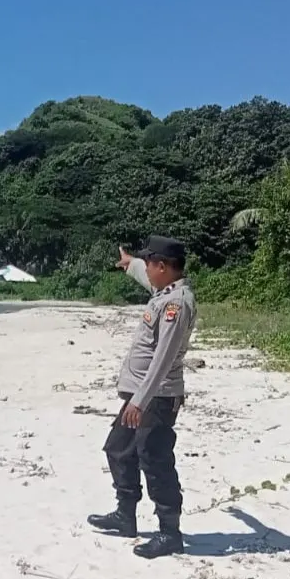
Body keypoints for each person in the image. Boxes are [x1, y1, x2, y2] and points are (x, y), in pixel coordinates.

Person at [87, 235, 197, 560]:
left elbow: (164, 358)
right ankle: (125, 516)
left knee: (155, 461)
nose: (146, 269)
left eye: (149, 263)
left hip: (156, 398)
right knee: (119, 448)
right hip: (143, 396)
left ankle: (170, 534)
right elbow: (146, 277)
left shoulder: (177, 304)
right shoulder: (164, 293)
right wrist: (130, 264)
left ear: (162, 266)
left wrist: (140, 400)